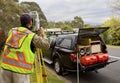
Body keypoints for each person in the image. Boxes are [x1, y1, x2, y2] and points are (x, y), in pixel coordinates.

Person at [0, 14, 50, 83]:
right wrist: (43, 34)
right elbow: (46, 45)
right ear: (30, 22)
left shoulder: (12, 31)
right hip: (20, 72)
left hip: (5, 69)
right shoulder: (31, 36)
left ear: (21, 22)